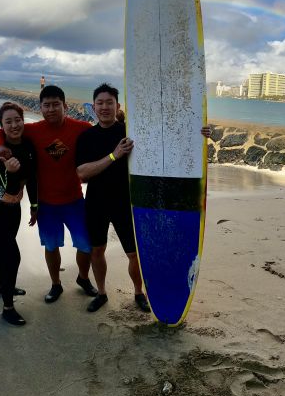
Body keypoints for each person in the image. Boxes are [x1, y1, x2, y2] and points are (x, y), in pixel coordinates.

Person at [76, 83, 212, 314]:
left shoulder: (132, 131)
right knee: (97, 251)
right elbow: (82, 173)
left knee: (134, 253)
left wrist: (198, 132)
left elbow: (166, 140)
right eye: (100, 103)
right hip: (96, 202)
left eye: (110, 102)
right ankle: (101, 293)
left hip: (127, 202)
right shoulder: (87, 137)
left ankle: (139, 293)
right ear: (94, 107)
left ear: (117, 105)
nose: (105, 107)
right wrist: (114, 155)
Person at [0, 85, 97, 304]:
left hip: (74, 200)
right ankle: (56, 284)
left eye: (55, 105)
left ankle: (83, 278)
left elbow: (102, 131)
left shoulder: (81, 128)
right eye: (46, 105)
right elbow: (0, 131)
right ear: (40, 108)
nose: (51, 109)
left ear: (65, 106)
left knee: (86, 245)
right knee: (51, 246)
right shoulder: (33, 130)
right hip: (47, 204)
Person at [0, 102, 37, 326]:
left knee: (3, 248)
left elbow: (32, 178)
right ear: (1, 126)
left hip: (14, 209)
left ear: (23, 121)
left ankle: (2, 285)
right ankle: (8, 307)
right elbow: (9, 186)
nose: (14, 125)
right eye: (8, 121)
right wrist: (12, 172)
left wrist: (34, 206)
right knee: (11, 254)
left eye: (17, 120)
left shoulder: (29, 146)